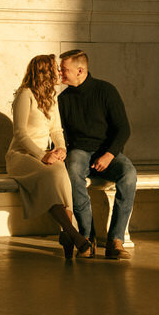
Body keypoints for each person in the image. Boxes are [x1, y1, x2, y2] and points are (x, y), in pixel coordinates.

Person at [5, 54, 93, 258]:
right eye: (55, 68)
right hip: (21, 155)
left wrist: (61, 149)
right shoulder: (25, 94)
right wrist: (41, 156)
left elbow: (56, 130)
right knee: (49, 176)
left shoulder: (51, 96)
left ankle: (66, 235)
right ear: (45, 71)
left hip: (46, 155)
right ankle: (74, 234)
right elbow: (19, 133)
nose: (59, 72)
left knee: (62, 176)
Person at [57, 49, 137, 260]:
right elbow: (59, 133)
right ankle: (86, 236)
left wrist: (110, 154)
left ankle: (115, 241)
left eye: (64, 70)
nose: (60, 74)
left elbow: (123, 129)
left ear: (80, 70)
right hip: (79, 151)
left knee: (128, 174)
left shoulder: (105, 90)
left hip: (107, 152)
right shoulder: (63, 99)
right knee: (73, 171)